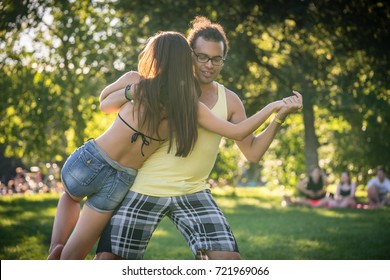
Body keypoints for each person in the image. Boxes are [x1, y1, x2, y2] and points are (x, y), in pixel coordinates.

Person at [48, 31, 291, 260]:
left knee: (69, 198)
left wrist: (277, 115)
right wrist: (271, 107)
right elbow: (105, 102)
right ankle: (60, 254)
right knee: (93, 258)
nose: (209, 64)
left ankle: (57, 250)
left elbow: (252, 151)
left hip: (116, 166)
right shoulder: (176, 100)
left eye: (217, 59)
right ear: (188, 58)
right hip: (132, 182)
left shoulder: (155, 88)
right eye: (202, 57)